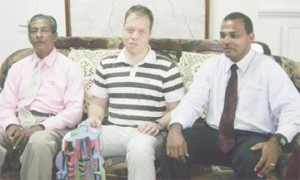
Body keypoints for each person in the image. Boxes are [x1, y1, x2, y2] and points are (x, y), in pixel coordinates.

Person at [161, 12, 300, 179]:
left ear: (250, 37)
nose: (226, 40)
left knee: (254, 159)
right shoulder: (211, 66)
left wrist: (277, 141)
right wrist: (175, 127)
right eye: (222, 35)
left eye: (234, 35)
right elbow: (192, 102)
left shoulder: (269, 69)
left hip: (251, 138)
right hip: (215, 135)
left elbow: (292, 109)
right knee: (171, 145)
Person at [81, 4, 184, 180]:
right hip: (114, 131)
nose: (134, 36)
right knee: (75, 140)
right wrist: (94, 118)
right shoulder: (106, 65)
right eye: (129, 30)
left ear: (150, 34)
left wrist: (158, 124)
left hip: (149, 134)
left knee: (139, 148)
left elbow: (178, 109)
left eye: (141, 32)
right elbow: (98, 104)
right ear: (123, 30)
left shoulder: (166, 67)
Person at [0, 14, 84, 179]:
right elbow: (5, 103)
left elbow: (74, 112)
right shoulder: (17, 67)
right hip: (19, 121)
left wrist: (41, 127)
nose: (38, 34)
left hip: (52, 126)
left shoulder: (70, 68)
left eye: (44, 30)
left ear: (55, 36)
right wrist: (10, 124)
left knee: (39, 142)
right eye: (34, 31)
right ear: (30, 37)